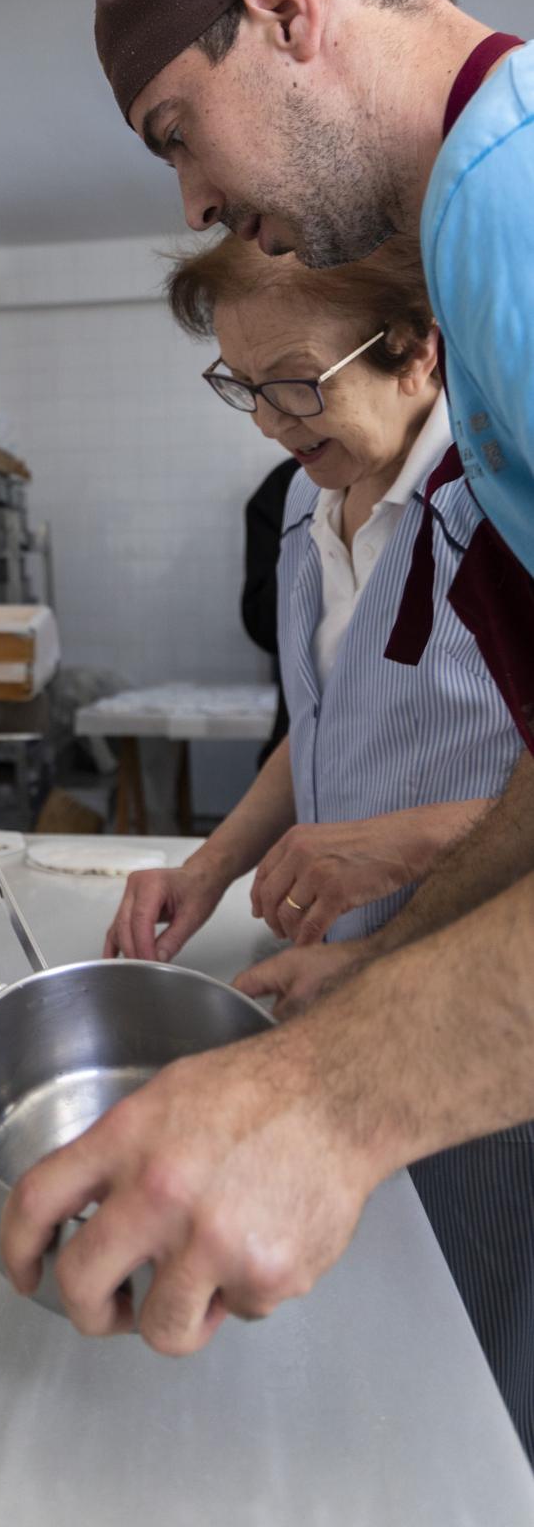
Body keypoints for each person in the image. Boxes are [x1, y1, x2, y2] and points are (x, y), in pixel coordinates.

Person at [0, 0, 534, 1377]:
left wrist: (329, 1095)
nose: (187, 200)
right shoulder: (479, 212)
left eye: (179, 130)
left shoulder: (510, 215)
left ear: (288, 12)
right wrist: (388, 962)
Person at [102, 230, 532, 1445]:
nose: (267, 422)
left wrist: (396, 843)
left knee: (473, 1348)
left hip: (486, 1000)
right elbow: (320, 720)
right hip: (341, 978)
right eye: (242, 386)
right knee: (358, 1326)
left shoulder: (502, 513)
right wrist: (206, 862)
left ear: (417, 353)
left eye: (294, 381)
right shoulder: (305, 500)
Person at [240, 456, 295, 763]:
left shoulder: (453, 478)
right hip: (301, 738)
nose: (269, 427)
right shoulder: (285, 488)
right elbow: (261, 624)